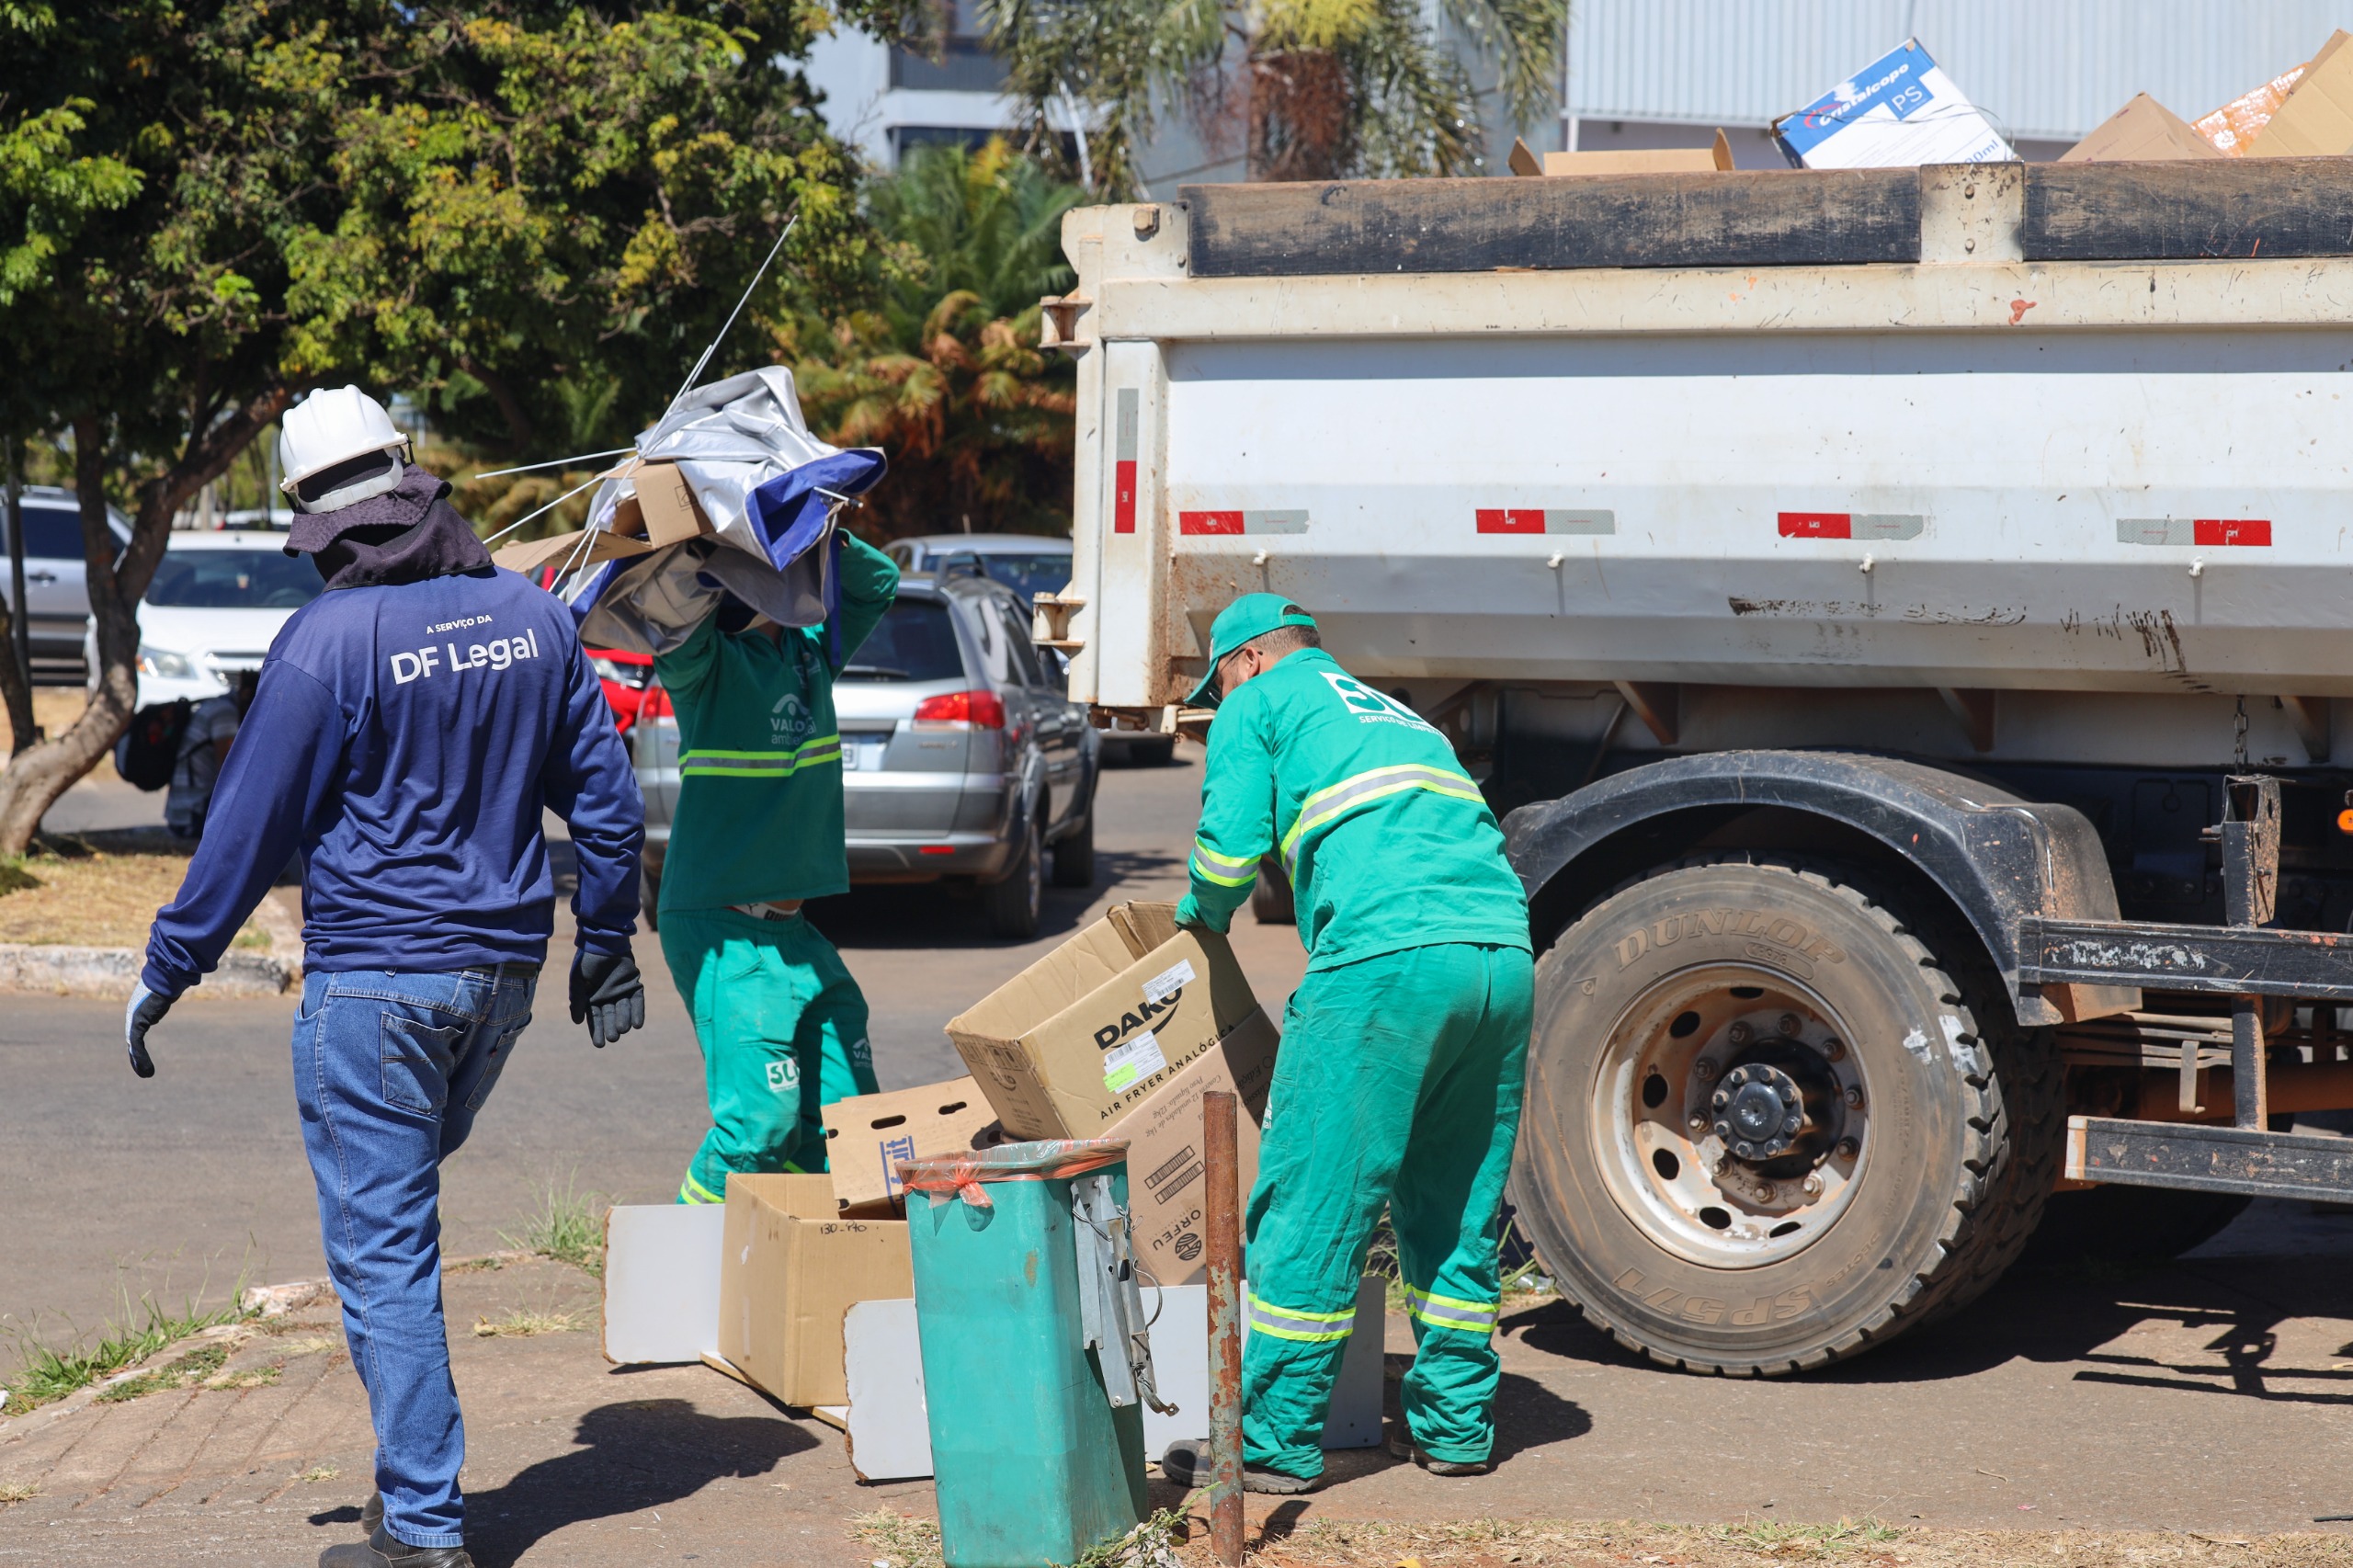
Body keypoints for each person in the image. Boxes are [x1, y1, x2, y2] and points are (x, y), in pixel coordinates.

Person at [127, 385, 647, 1568]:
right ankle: (404, 1489)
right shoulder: (530, 615)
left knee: (384, 1247)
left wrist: (170, 964)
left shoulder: (325, 641)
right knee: (392, 1221)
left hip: (374, 987)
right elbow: (608, 802)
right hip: (501, 983)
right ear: (409, 474)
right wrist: (606, 937)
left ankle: (422, 1531)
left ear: (317, 511)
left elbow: (246, 827)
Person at [1167, 593, 1534, 1492]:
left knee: (1312, 1202)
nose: (1223, 701)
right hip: (1501, 959)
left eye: (1220, 684)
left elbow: (1226, 852)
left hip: (1383, 958)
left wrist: (1192, 924)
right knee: (1451, 1206)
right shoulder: (1395, 712)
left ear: (1248, 659)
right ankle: (1454, 1429)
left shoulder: (1261, 700)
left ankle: (1271, 1439)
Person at [654, 529, 899, 1205]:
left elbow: (876, 581)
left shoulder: (811, 655)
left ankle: (790, 1264)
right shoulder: (704, 667)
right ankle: (683, 1270)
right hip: (724, 928)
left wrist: (818, 525)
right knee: (756, 1130)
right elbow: (667, 609)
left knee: (847, 1128)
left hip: (795, 934)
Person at [162, 667, 257, 838]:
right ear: (248, 694)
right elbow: (229, 771)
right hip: (192, 814)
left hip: (182, 812)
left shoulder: (217, 705)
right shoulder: (225, 713)